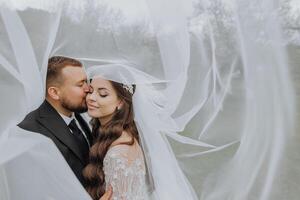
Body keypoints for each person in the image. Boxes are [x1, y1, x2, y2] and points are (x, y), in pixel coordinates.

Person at [18, 56, 112, 199]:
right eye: (80, 85)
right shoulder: (30, 129)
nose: (88, 89)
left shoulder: (83, 117)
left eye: (86, 82)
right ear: (54, 92)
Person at [83, 76, 148, 200]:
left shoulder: (118, 153)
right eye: (90, 91)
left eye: (102, 94)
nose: (91, 98)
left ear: (121, 102)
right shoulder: (116, 134)